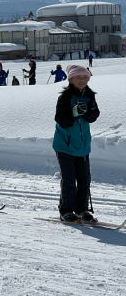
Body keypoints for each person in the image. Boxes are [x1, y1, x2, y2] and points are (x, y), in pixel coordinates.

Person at [52, 65, 100, 223]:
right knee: (69, 180)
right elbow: (61, 120)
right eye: (79, 77)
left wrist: (86, 112)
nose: (82, 80)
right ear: (71, 79)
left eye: (85, 77)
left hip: (83, 146)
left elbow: (94, 115)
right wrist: (73, 113)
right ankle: (66, 210)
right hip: (65, 146)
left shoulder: (89, 95)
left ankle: (82, 209)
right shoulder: (65, 97)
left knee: (85, 179)